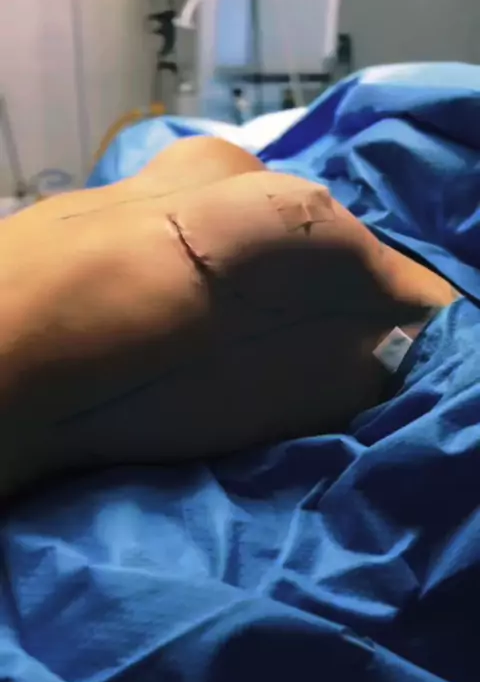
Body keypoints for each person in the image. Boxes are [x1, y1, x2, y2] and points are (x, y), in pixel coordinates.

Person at [0, 137, 457, 498]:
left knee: (412, 333)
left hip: (266, 246)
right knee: (413, 332)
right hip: (206, 177)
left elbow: (418, 342)